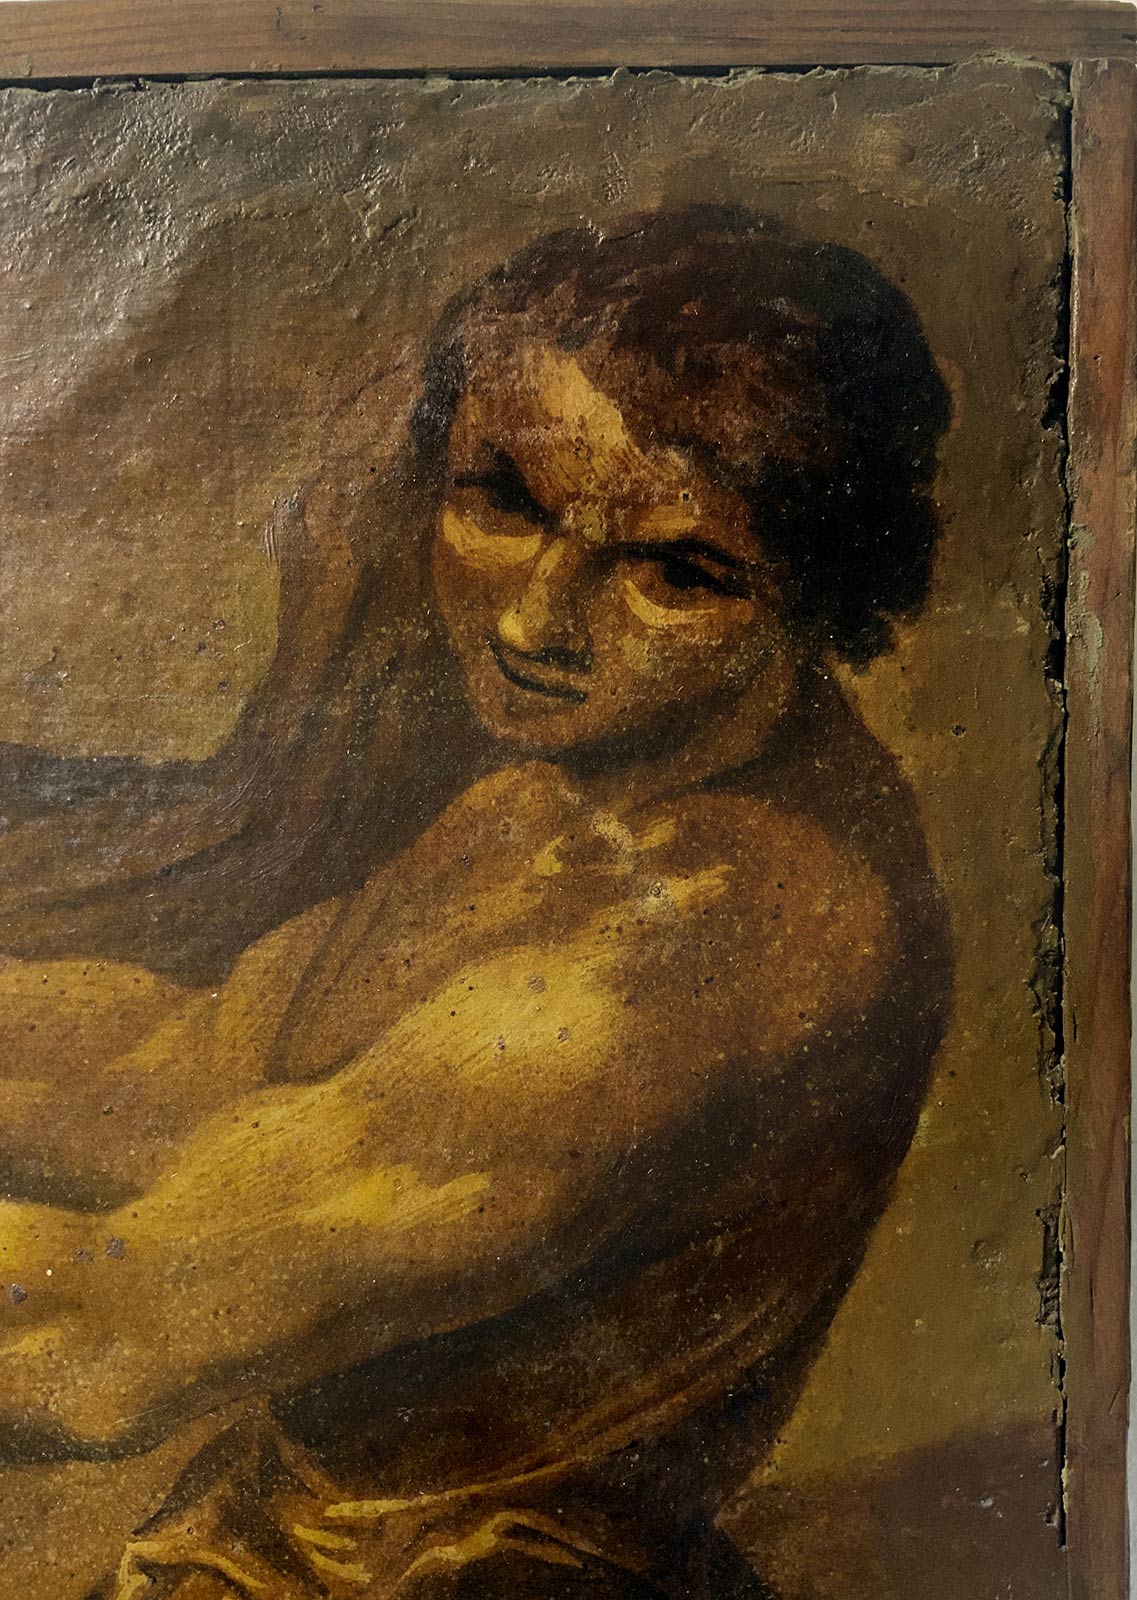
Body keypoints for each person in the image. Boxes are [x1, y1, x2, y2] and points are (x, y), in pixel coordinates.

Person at [0, 206, 953, 1599]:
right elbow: (184, 1071)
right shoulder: (567, 792)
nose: (531, 624)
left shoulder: (694, 942)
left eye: (678, 572)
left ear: (819, 594)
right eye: (503, 505)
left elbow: (93, 1339)